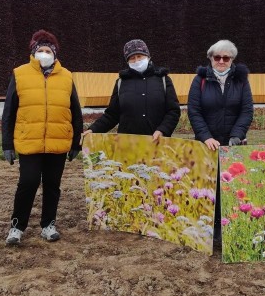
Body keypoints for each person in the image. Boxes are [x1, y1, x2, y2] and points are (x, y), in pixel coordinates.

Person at [2, 29, 83, 245]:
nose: (44, 54)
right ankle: (17, 226)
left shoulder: (66, 76)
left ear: (55, 54)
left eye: (48, 50)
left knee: (52, 184)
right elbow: (9, 111)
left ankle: (48, 225)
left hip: (58, 141)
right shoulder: (19, 74)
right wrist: (7, 144)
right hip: (30, 140)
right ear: (33, 52)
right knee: (27, 183)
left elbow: (75, 110)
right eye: (41, 50)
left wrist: (76, 142)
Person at [187, 39, 254, 249]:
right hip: (207, 144)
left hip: (233, 144)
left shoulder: (241, 80)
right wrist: (205, 136)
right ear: (210, 58)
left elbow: (247, 110)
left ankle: (231, 228)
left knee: (232, 187)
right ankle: (211, 230)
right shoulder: (200, 80)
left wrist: (236, 135)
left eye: (226, 58)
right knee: (208, 186)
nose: (222, 61)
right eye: (218, 57)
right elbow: (194, 111)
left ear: (232, 59)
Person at [81, 39, 180, 141]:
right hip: (127, 146)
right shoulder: (121, 82)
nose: (136, 61)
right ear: (127, 61)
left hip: (157, 145)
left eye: (139, 56)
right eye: (132, 58)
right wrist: (93, 130)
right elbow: (112, 115)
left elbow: (173, 111)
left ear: (148, 56)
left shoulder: (163, 80)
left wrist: (162, 130)